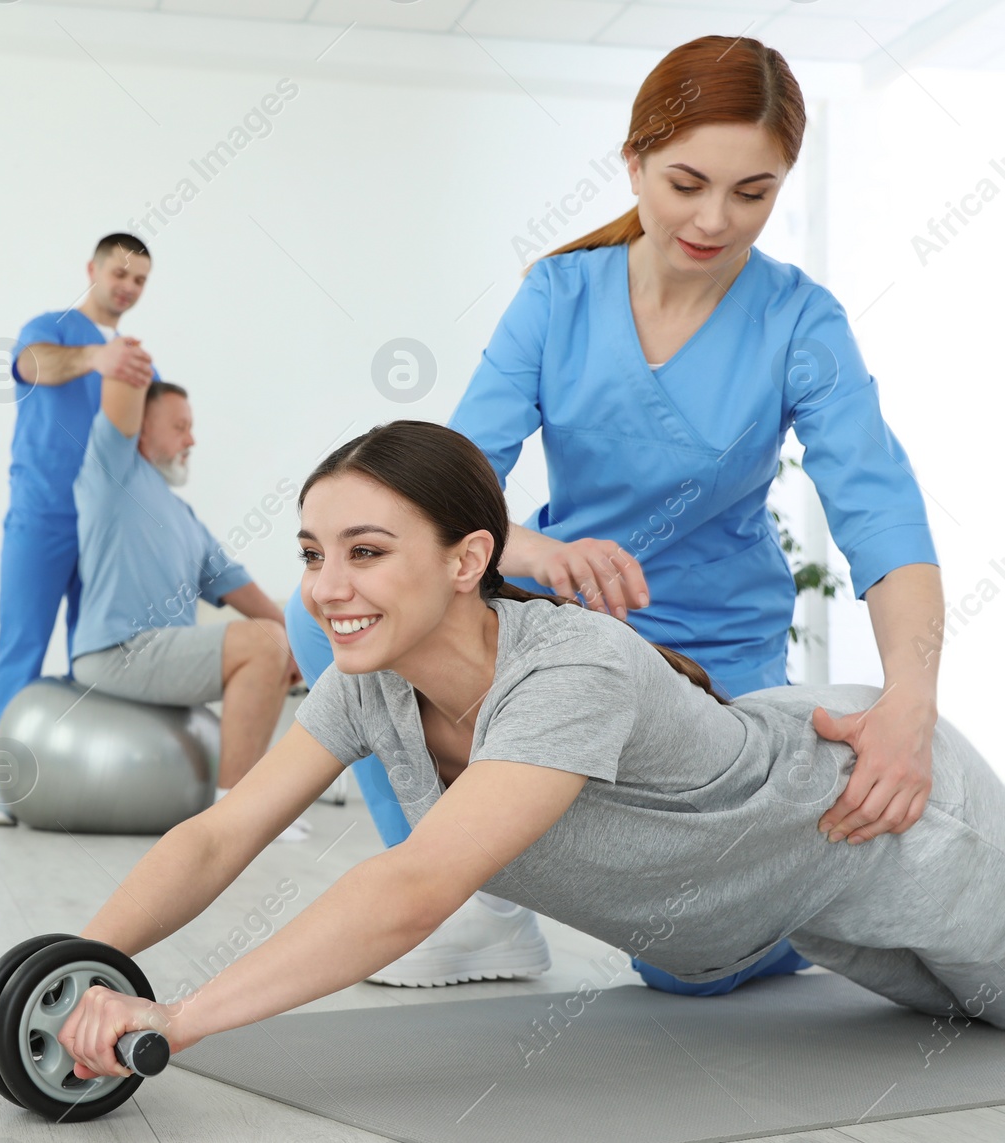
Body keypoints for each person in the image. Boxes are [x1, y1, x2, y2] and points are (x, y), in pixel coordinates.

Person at [283, 34, 943, 993]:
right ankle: (478, 900)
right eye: (686, 182)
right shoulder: (558, 296)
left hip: (714, 650)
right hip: (558, 626)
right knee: (331, 607)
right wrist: (537, 550)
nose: (715, 219)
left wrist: (910, 702)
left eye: (753, 193)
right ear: (634, 161)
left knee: (689, 971)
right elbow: (444, 491)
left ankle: (819, 896)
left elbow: (882, 514)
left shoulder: (801, 320)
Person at [56, 422, 1001, 1083]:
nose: (325, 587)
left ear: (466, 561)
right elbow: (224, 835)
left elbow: (413, 888)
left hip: (886, 822)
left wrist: (177, 1022)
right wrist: (74, 962)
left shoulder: (568, 670)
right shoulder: (369, 685)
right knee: (956, 1025)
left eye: (367, 551)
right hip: (790, 905)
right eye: (311, 553)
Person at [69, 368, 310, 841]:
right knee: (264, 644)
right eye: (179, 426)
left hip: (159, 651)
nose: (191, 438)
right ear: (140, 430)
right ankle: (235, 815)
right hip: (116, 650)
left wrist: (301, 645)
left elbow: (240, 588)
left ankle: (251, 802)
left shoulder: (183, 518)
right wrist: (122, 356)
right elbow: (118, 404)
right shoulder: (112, 473)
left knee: (275, 638)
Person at [0, 233, 160, 825]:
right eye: (119, 273)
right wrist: (95, 358)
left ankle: (92, 774)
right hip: (43, 512)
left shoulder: (136, 356)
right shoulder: (51, 328)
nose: (127, 287)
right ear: (92, 269)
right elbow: (31, 365)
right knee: (23, 642)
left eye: (139, 280)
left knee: (99, 653)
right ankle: (4, 786)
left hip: (106, 524)